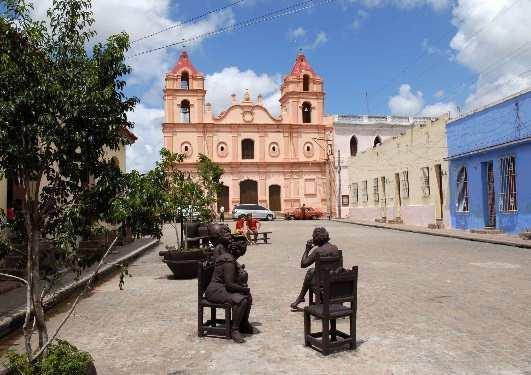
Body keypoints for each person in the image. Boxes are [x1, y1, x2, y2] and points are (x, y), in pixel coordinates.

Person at [205, 225, 255, 343]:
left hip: (221, 286)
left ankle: (243, 323)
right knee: (241, 299)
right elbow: (229, 285)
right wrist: (244, 289)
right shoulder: (227, 259)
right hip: (215, 290)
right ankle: (234, 329)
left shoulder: (229, 259)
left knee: (248, 297)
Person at [290, 227, 339, 311]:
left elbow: (303, 264)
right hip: (333, 281)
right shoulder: (335, 248)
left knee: (310, 273)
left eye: (313, 237)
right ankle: (300, 298)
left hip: (321, 284)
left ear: (317, 239)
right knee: (312, 271)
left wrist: (307, 249)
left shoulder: (318, 251)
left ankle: (300, 298)